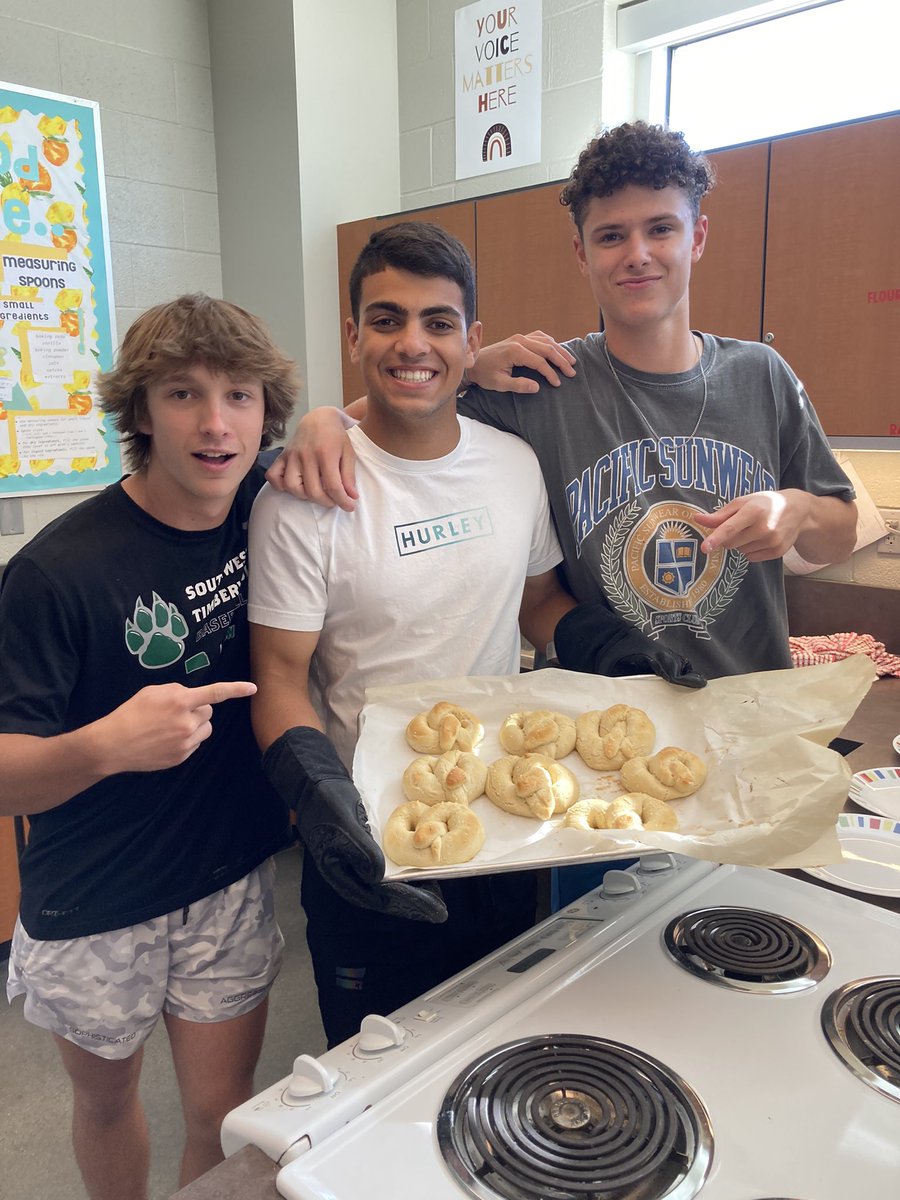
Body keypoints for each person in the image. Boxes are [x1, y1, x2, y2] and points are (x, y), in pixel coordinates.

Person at [247, 221, 690, 1049]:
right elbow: (278, 677)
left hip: (502, 837)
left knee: (503, 1053)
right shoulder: (308, 493)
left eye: (438, 322)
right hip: (369, 840)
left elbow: (538, 603)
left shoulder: (512, 465)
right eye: (386, 320)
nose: (412, 344)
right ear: (353, 335)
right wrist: (318, 802)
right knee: (376, 1071)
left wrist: (608, 647)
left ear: (471, 339)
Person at [273, 121, 857, 681]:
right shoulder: (545, 384)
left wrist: (797, 510)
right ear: (581, 252)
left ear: (696, 237)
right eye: (611, 235)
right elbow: (401, 409)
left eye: (660, 228)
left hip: (752, 711)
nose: (637, 254)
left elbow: (837, 535)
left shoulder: (762, 375)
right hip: (600, 727)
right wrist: (324, 419)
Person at [2, 294, 298, 1200]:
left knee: (220, 1113)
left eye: (240, 395)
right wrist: (102, 745)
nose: (216, 423)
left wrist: (476, 370)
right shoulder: (56, 571)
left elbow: (384, 418)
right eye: (182, 394)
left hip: (223, 878)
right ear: (139, 411)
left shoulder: (264, 503)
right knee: (105, 1103)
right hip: (97, 899)